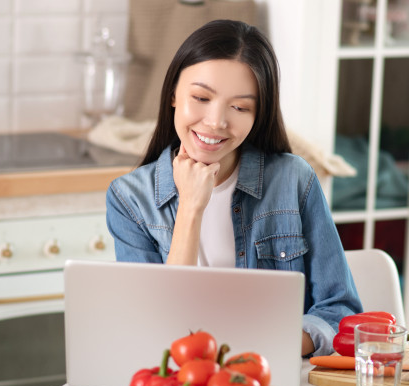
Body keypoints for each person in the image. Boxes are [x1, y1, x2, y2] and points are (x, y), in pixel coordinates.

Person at [105, 19, 361, 357]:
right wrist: (191, 207)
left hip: (273, 376)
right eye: (200, 97)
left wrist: (260, 352)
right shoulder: (129, 198)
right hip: (181, 383)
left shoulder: (293, 180)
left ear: (258, 115)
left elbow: (341, 311)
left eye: (240, 107)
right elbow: (154, 328)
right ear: (172, 95)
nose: (216, 121)